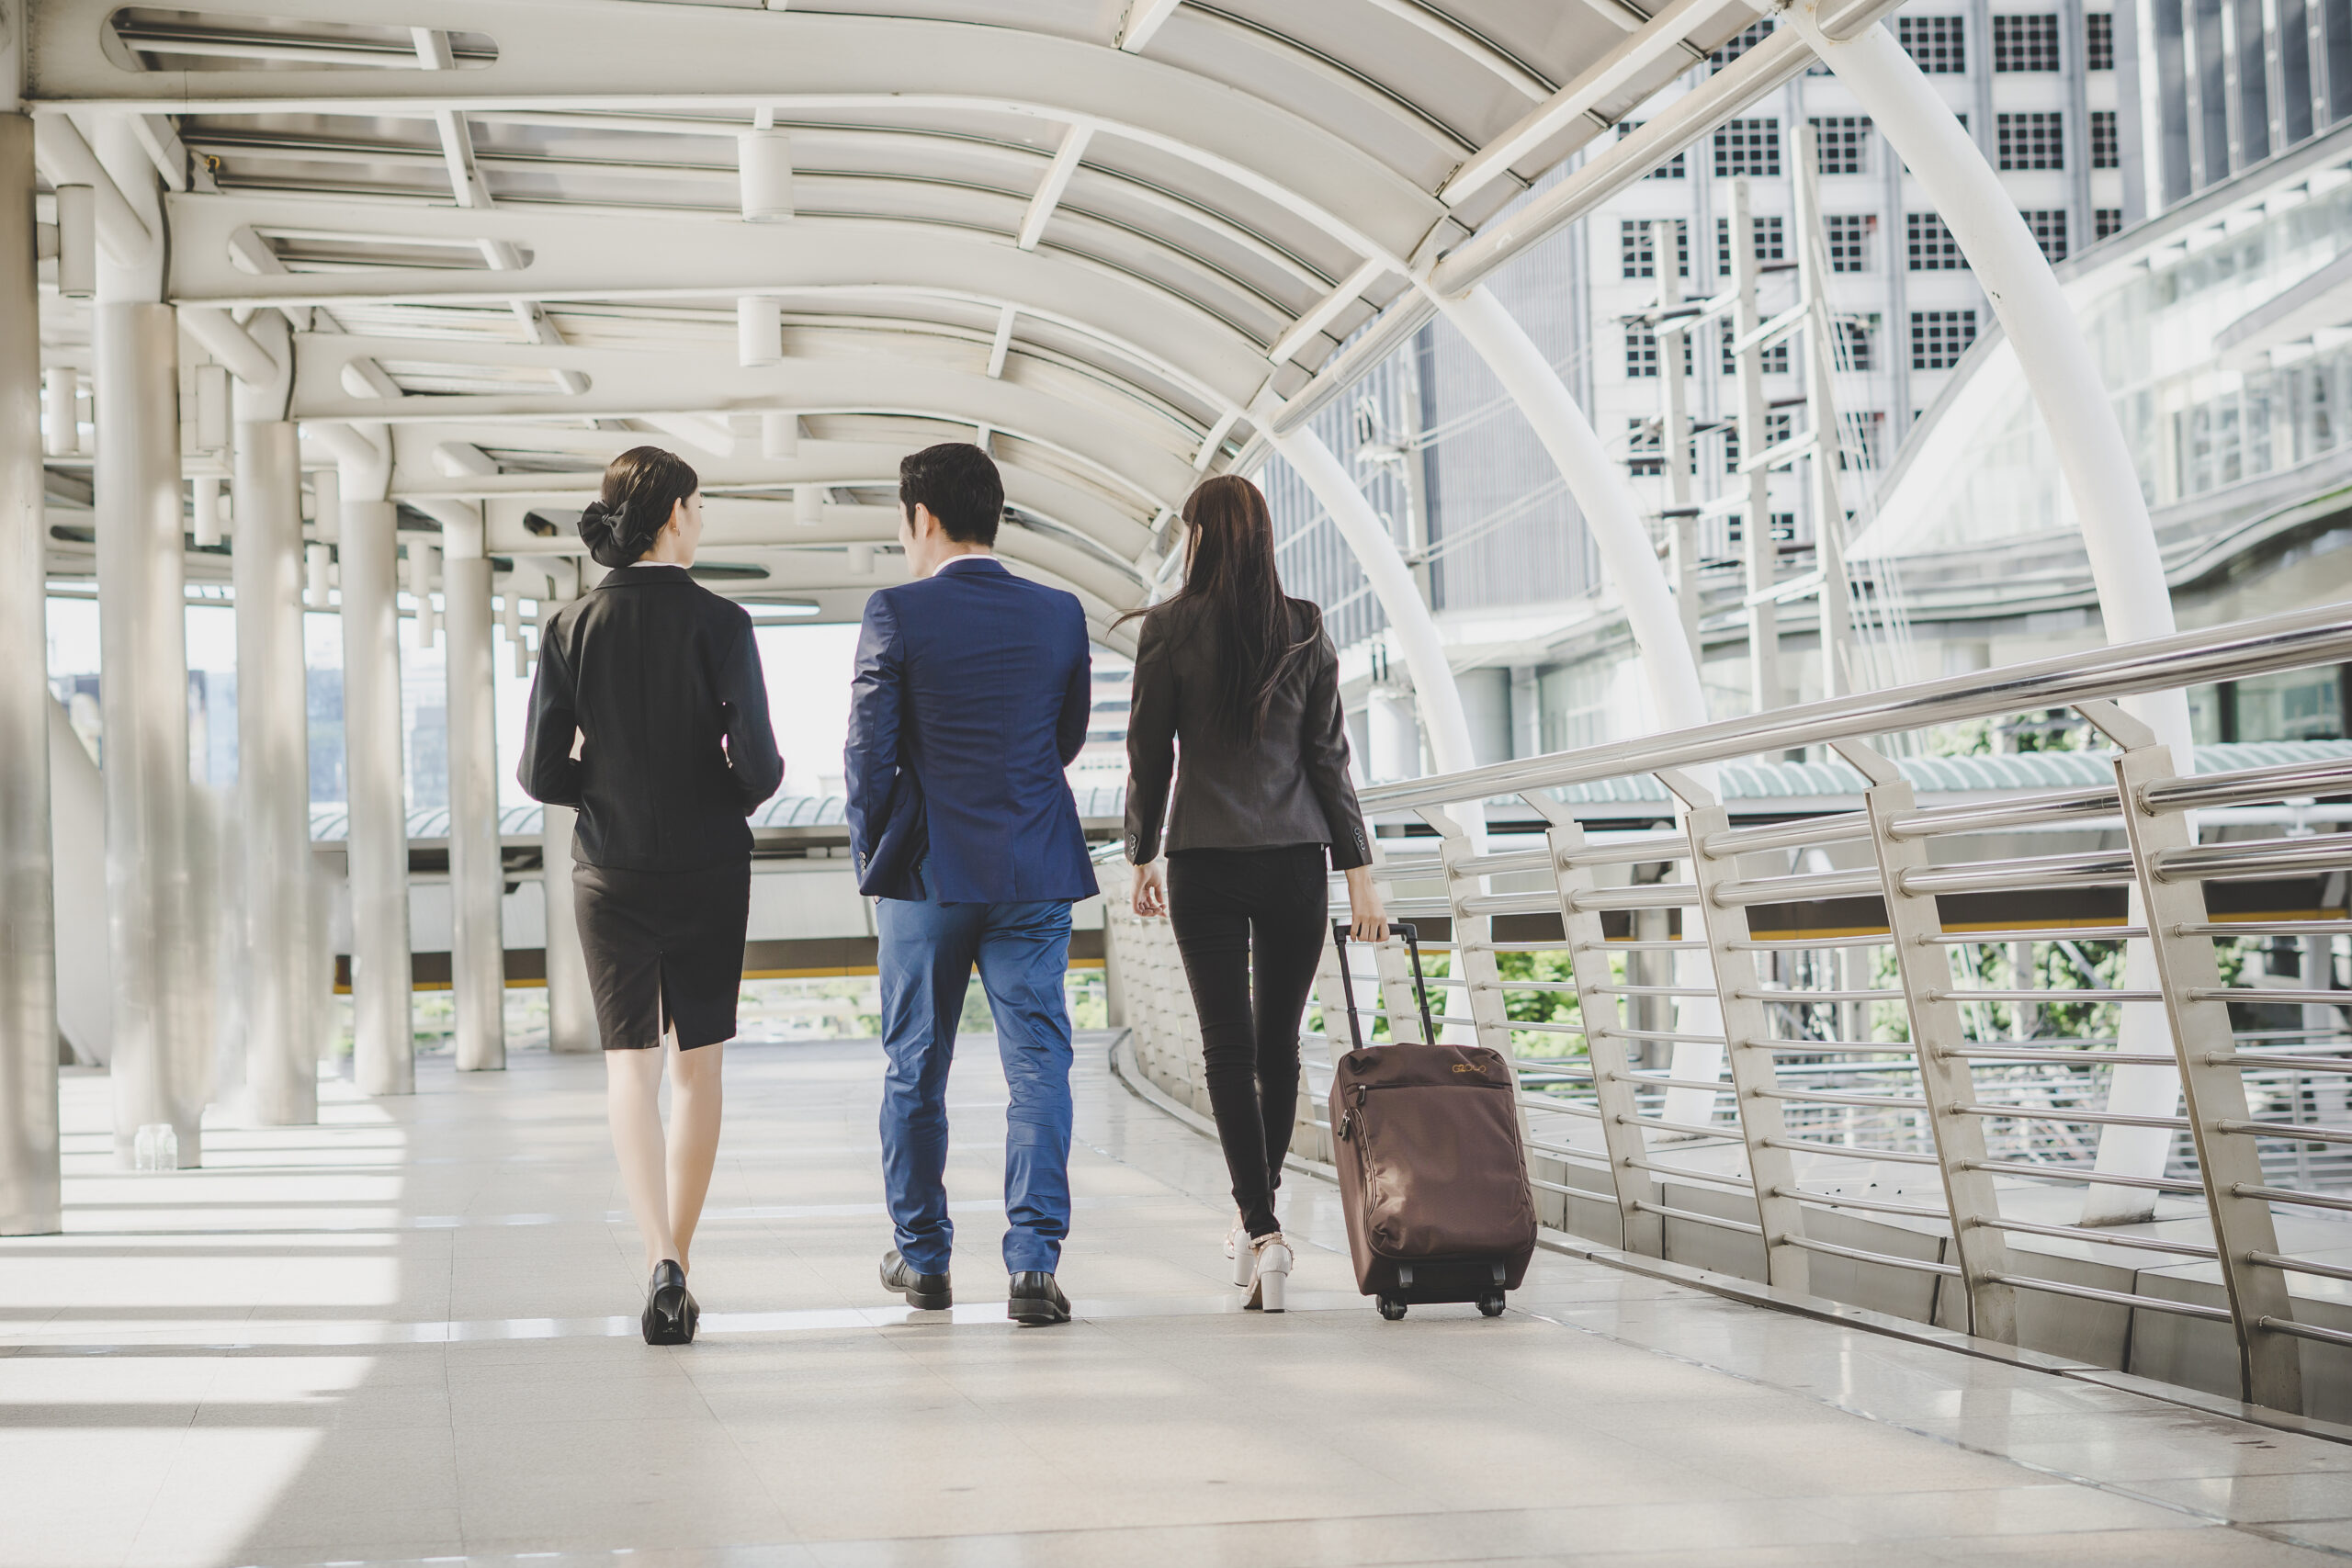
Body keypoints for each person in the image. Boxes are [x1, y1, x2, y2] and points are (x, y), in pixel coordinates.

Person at [518, 446, 783, 1346]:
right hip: (710, 862)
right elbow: (762, 767)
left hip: (610, 867)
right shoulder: (724, 622)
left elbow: (538, 771)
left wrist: (606, 781)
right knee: (696, 1067)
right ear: (672, 513)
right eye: (699, 506)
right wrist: (713, 791)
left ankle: (656, 1253)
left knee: (626, 1070)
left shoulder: (567, 626)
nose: (702, 522)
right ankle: (678, 1268)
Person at [845, 443, 1095, 1326]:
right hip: (1033, 866)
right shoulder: (1061, 614)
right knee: (1039, 1064)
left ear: (920, 519)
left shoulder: (896, 611)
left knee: (916, 1066)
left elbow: (869, 755)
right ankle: (1033, 1265)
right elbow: (1063, 739)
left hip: (925, 871)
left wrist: (871, 855)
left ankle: (924, 1259)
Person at [1124, 474, 1385, 1314]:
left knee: (1227, 1051)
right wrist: (1360, 873)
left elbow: (1148, 757)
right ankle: (1259, 1224)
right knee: (1278, 1046)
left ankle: (1262, 1227)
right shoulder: (1304, 627)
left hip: (1204, 856)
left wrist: (1140, 855)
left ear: (1198, 536)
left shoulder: (1167, 629)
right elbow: (1329, 762)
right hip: (1294, 863)